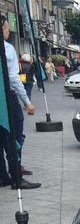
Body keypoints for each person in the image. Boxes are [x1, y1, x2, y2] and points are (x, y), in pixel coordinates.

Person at [0, 15, 40, 189]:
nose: (9, 31)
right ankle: (16, 177)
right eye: (8, 28)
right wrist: (27, 101)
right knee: (14, 135)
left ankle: (2, 176)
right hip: (7, 97)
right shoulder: (6, 49)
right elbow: (13, 78)